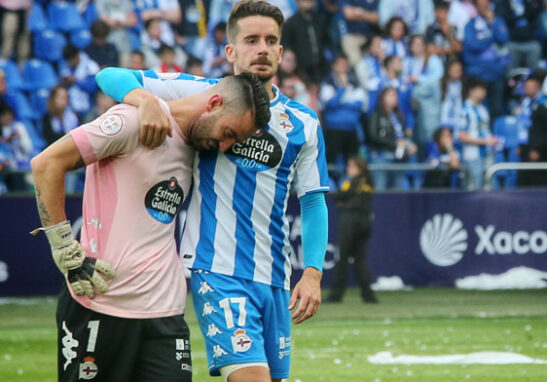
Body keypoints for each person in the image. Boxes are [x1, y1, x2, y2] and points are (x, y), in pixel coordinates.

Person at [94, 1, 330, 380]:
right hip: (218, 270)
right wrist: (146, 101)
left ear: (282, 52)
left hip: (275, 277)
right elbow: (109, 75)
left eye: (271, 41)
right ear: (231, 51)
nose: (263, 49)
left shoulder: (303, 122)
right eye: (252, 40)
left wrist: (314, 272)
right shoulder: (201, 93)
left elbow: (313, 200)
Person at [31, 72, 269, 381]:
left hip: (165, 313)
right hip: (101, 302)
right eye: (228, 133)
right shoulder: (133, 121)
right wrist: (63, 247)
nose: (225, 146)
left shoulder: (197, 149)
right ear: (213, 103)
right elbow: (46, 164)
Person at [324, 156, 377, 303]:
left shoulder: (351, 183)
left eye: (351, 167)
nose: (349, 169)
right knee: (360, 259)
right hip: (365, 222)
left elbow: (339, 196)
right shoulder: (369, 183)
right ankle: (368, 295)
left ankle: (336, 295)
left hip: (349, 222)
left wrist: (344, 201)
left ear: (359, 168)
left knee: (342, 258)